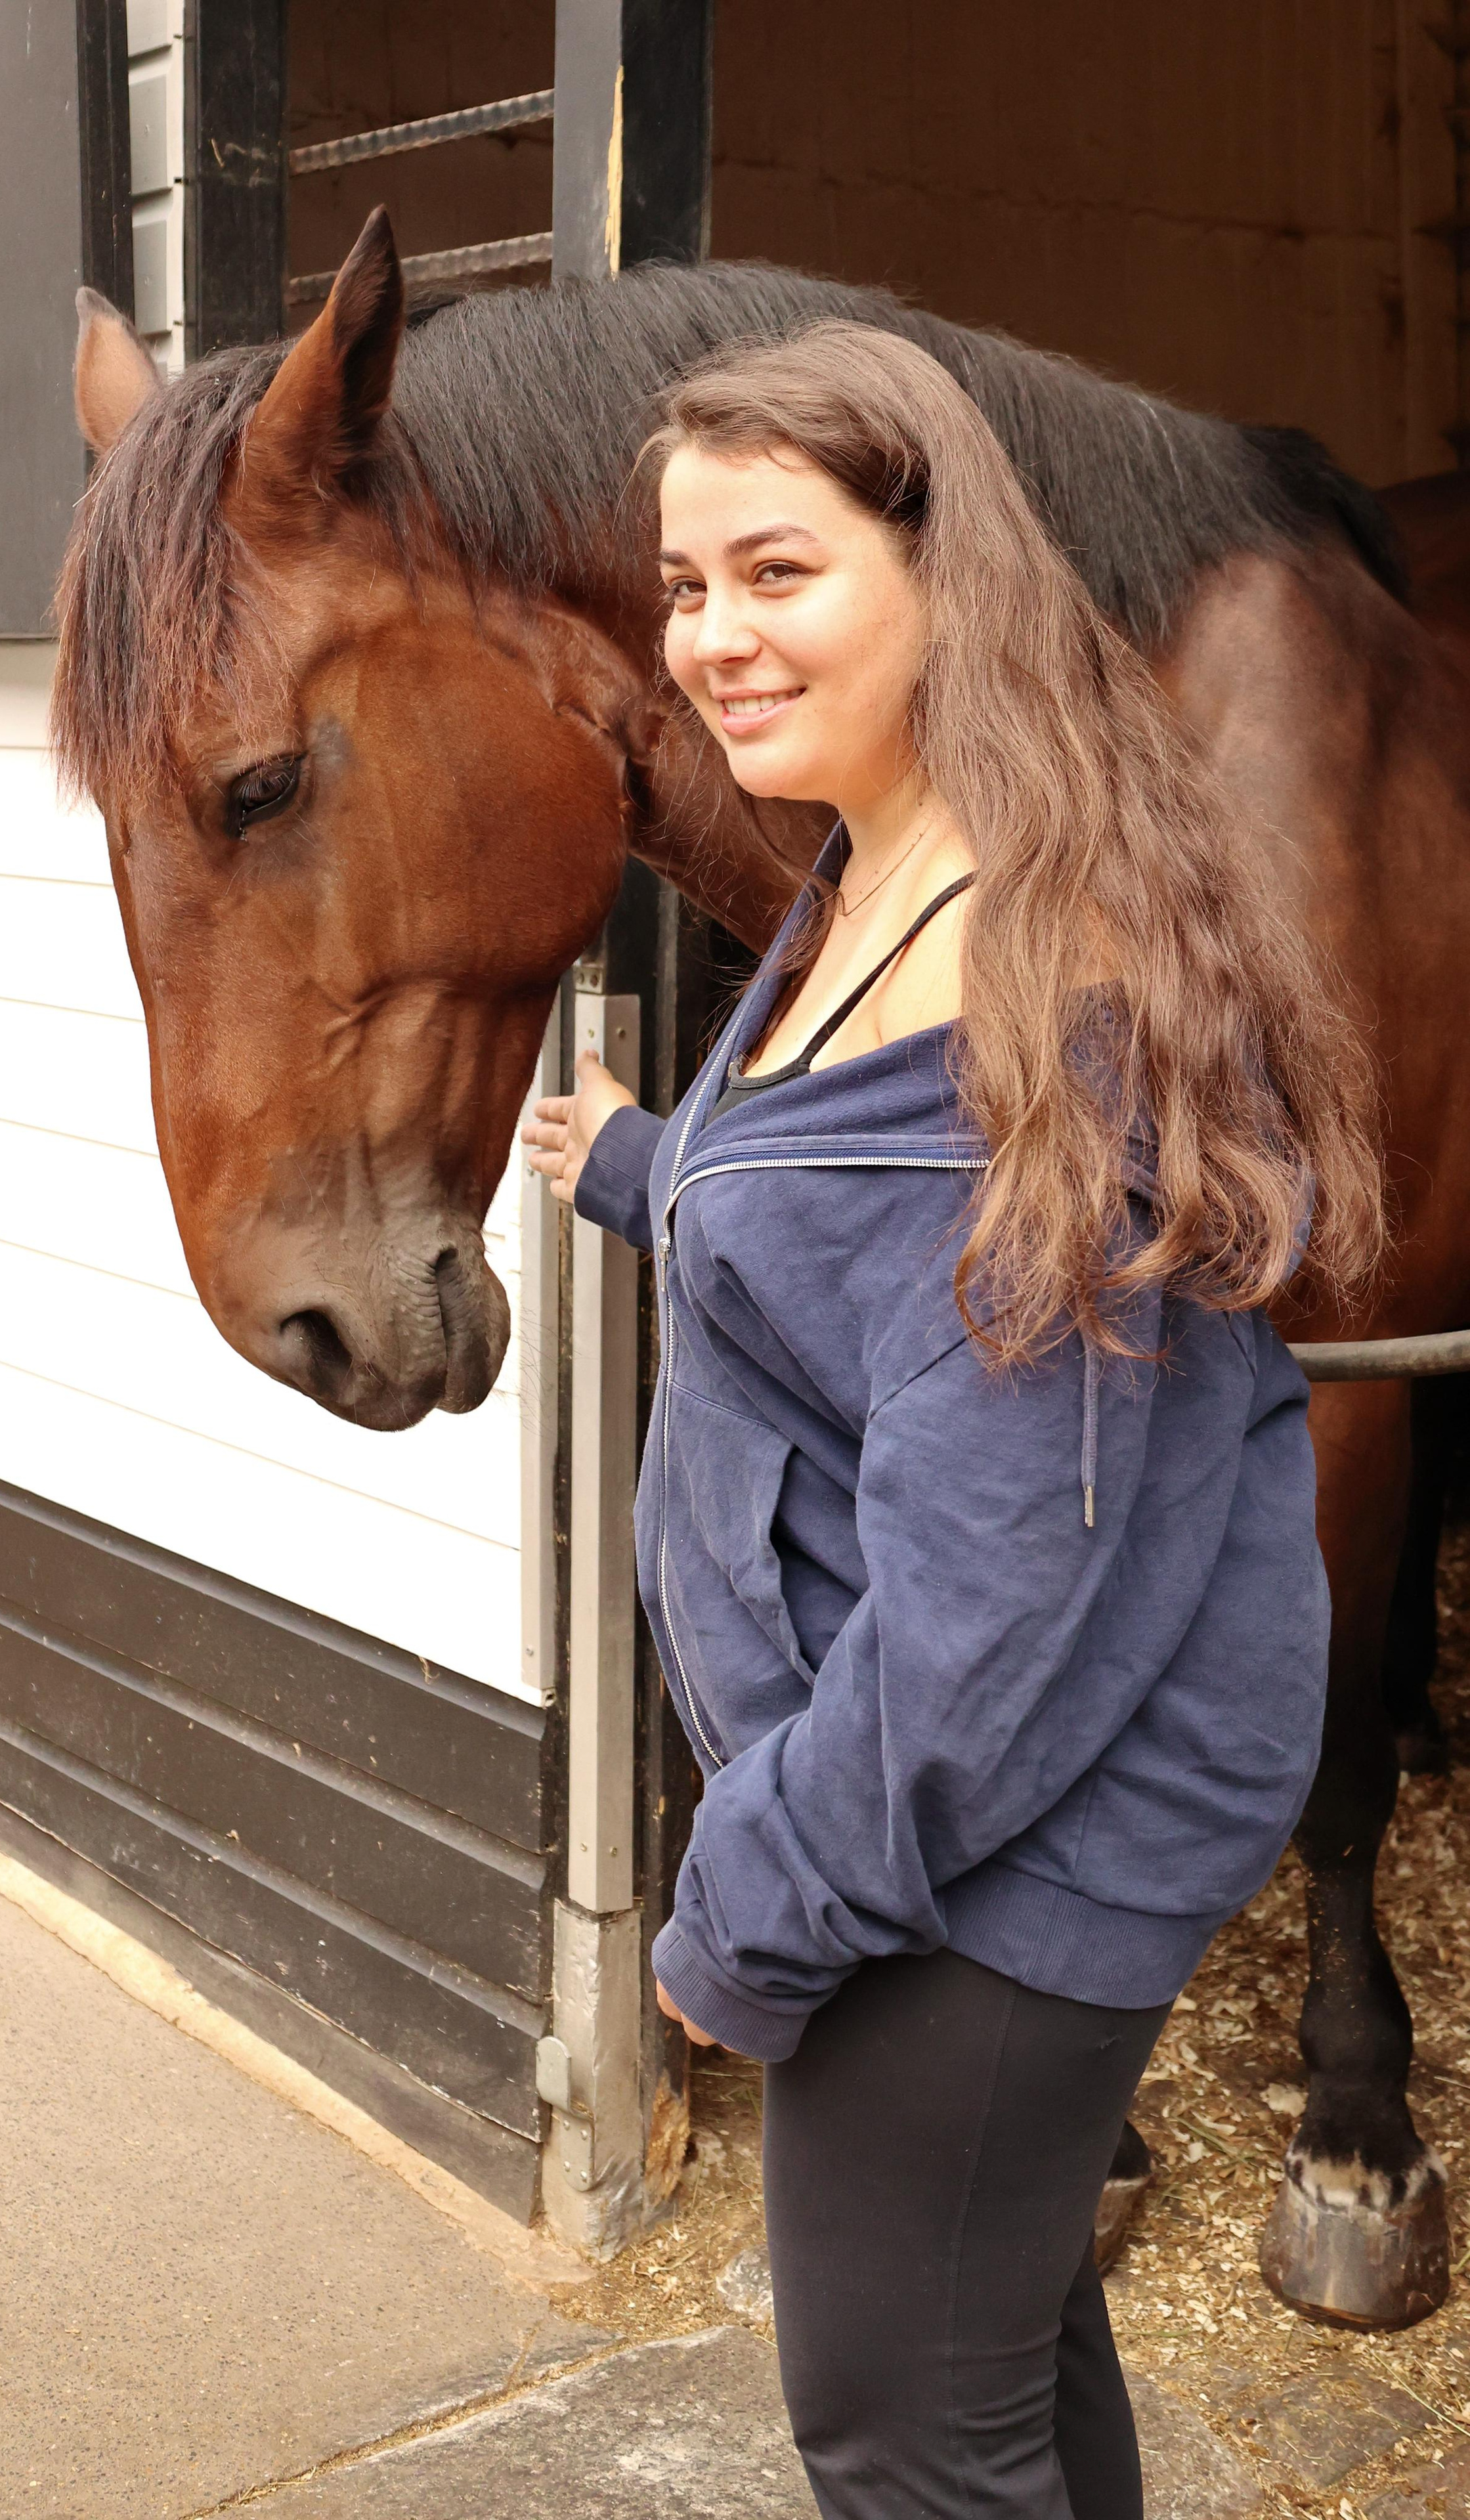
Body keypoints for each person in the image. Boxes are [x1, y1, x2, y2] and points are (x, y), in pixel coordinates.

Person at [521, 324, 1383, 2520]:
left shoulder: (1026, 1008)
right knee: (1000, 2376)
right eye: (687, 582)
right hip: (944, 1825)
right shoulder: (874, 875)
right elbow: (840, 1242)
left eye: (776, 571)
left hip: (968, 1861)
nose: (711, 635)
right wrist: (646, 1163)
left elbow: (991, 1615)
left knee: (904, 2430)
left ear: (947, 575)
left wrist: (750, 1912)